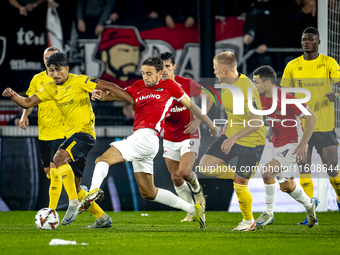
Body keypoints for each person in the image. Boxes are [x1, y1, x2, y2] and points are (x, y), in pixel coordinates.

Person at [78, 56, 218, 230]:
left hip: (148, 137)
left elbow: (192, 106)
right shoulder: (138, 86)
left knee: (102, 160)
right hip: (145, 140)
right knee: (149, 193)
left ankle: (92, 192)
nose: (145, 77)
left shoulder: (172, 86)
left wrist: (208, 123)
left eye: (149, 73)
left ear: (160, 73)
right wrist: (101, 95)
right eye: (143, 73)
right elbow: (116, 95)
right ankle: (192, 209)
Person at [2, 52, 135, 228]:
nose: (55, 74)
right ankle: (103, 218)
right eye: (51, 71)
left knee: (58, 158)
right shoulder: (50, 88)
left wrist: (131, 100)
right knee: (77, 186)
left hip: (84, 134)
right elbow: (27, 102)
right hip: (72, 136)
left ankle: (72, 203)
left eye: (58, 70)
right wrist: (13, 95)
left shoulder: (79, 81)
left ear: (66, 69)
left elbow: (108, 85)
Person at [199, 51, 266, 231]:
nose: (214, 73)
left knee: (240, 184)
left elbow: (257, 122)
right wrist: (227, 129)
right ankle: (239, 177)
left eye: (215, 69)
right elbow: (235, 112)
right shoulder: (227, 86)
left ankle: (248, 221)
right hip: (232, 136)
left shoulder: (247, 88)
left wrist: (234, 137)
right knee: (205, 166)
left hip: (252, 141)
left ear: (224, 69)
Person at [281, 27, 340, 225]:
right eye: (303, 39)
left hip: (324, 126)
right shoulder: (292, 65)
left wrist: (337, 95)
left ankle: (339, 199)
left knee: (333, 170)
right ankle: (310, 213)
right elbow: (283, 95)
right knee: (303, 169)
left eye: (310, 39)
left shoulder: (328, 63)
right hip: (301, 127)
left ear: (318, 42)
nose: (306, 42)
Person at [252, 65, 317, 229]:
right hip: (278, 142)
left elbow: (312, 118)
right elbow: (273, 114)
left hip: (293, 143)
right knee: (286, 186)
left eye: (257, 83)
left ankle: (268, 213)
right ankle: (310, 205)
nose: (255, 86)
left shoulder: (286, 97)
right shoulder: (261, 98)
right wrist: (272, 129)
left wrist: (303, 144)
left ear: (268, 83)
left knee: (267, 171)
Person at [159, 52, 214, 222]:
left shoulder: (185, 83)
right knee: (175, 177)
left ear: (174, 67)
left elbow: (209, 97)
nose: (164, 70)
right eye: (161, 67)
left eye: (168, 66)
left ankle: (198, 194)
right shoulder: (155, 87)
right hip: (169, 136)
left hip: (189, 134)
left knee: (184, 172)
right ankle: (191, 210)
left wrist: (198, 120)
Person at [18, 47, 65, 212]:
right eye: (46, 58)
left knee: (54, 169)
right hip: (44, 133)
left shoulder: (64, 78)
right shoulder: (37, 79)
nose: (48, 60)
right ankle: (77, 188)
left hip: (62, 132)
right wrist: (25, 116)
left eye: (52, 57)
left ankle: (51, 211)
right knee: (48, 171)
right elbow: (29, 100)